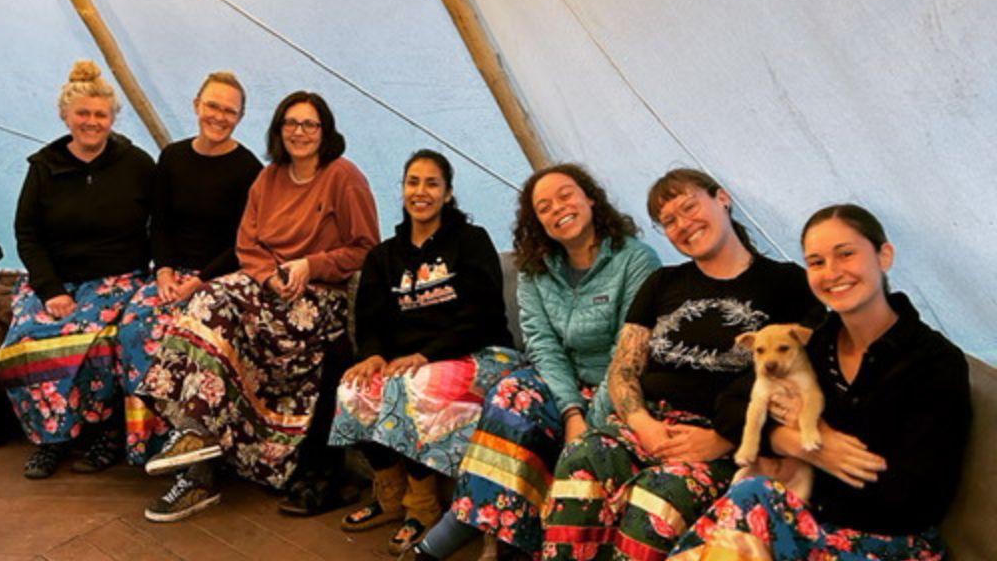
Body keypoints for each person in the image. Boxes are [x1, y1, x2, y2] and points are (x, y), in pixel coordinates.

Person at [541, 168, 823, 560]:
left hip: (723, 435)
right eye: (669, 221)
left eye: (689, 207)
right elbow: (624, 368)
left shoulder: (786, 282)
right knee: (580, 459)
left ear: (722, 198)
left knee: (660, 498)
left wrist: (723, 439)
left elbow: (801, 382)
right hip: (646, 423)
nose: (683, 225)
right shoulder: (663, 282)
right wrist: (643, 425)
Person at [667, 204, 971, 560]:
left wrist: (824, 450)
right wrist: (793, 441)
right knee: (750, 499)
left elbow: (919, 497)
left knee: (752, 502)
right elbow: (730, 405)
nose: (832, 272)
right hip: (806, 520)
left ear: (883, 256)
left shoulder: (934, 362)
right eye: (816, 262)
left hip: (891, 539)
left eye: (846, 254)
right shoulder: (813, 344)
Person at [137, 90, 380, 523]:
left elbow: (366, 248)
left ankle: (200, 436)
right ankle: (198, 433)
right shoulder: (268, 178)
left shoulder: (344, 177)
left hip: (317, 297)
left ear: (325, 131)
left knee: (213, 305)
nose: (300, 132)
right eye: (291, 123)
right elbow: (247, 245)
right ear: (279, 129)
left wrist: (311, 264)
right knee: (205, 300)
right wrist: (269, 276)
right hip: (267, 286)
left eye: (310, 124)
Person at [414, 164, 660, 560]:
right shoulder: (537, 267)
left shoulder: (635, 260)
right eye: (543, 207)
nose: (557, 208)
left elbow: (628, 354)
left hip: (620, 386)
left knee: (569, 442)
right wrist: (570, 411)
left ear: (590, 198)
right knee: (511, 394)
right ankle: (481, 530)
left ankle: (470, 531)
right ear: (537, 222)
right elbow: (543, 346)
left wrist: (589, 420)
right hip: (563, 383)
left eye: (566, 195)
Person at [326, 149, 522, 555]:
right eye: (413, 182)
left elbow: (483, 313)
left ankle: (423, 506)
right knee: (353, 389)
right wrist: (373, 354)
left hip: (479, 353)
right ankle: (389, 494)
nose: (421, 191)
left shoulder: (470, 241)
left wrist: (427, 354)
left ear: (448, 193)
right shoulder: (384, 256)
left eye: (432, 184)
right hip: (412, 363)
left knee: (413, 388)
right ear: (402, 190)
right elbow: (371, 321)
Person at [0, 60, 155, 479]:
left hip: (118, 279)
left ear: (112, 119)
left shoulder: (137, 165)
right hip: (57, 280)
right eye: (83, 113)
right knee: (22, 341)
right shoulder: (44, 167)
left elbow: (164, 222)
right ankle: (51, 439)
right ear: (66, 116)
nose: (91, 122)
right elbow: (27, 234)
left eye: (100, 114)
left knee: (101, 340)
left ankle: (106, 433)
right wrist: (50, 290)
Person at [116, 71, 262, 465]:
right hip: (172, 273)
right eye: (212, 105)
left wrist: (198, 282)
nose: (219, 116)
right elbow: (160, 223)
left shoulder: (249, 169)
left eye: (229, 111)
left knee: (183, 334)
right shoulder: (173, 158)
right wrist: (163, 271)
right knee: (134, 328)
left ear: (240, 117)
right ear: (197, 105)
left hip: (219, 278)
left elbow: (243, 243)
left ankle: (189, 441)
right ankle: (145, 443)